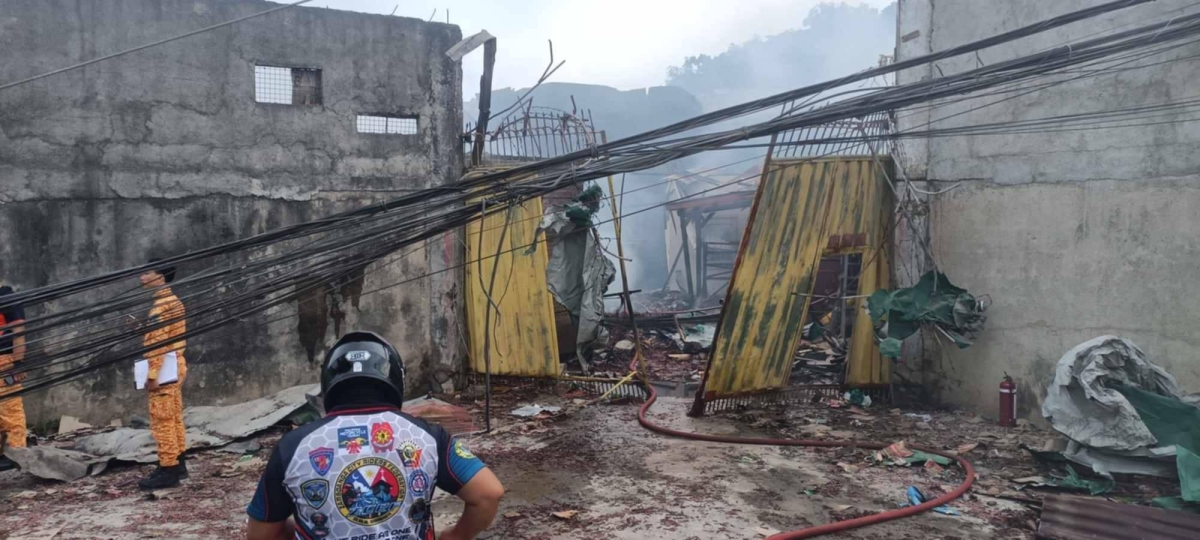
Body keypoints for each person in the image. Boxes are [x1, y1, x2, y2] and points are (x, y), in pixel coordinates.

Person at [247, 331, 504, 540]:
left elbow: (261, 534)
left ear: (328, 383)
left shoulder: (293, 446)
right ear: (395, 379)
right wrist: (456, 536)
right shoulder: (427, 436)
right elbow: (488, 493)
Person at [135, 259, 189, 489]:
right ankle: (178, 462)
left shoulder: (161, 307)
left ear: (160, 276)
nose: (141, 277)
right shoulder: (172, 301)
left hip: (164, 368)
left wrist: (152, 374)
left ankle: (168, 469)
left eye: (146, 272)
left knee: (162, 421)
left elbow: (158, 343)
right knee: (174, 418)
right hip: (175, 364)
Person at [0, 283, 28, 470]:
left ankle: (17, 453)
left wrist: (18, 364)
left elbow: (19, 331)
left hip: (5, 363)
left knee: (10, 409)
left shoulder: (7, 297)